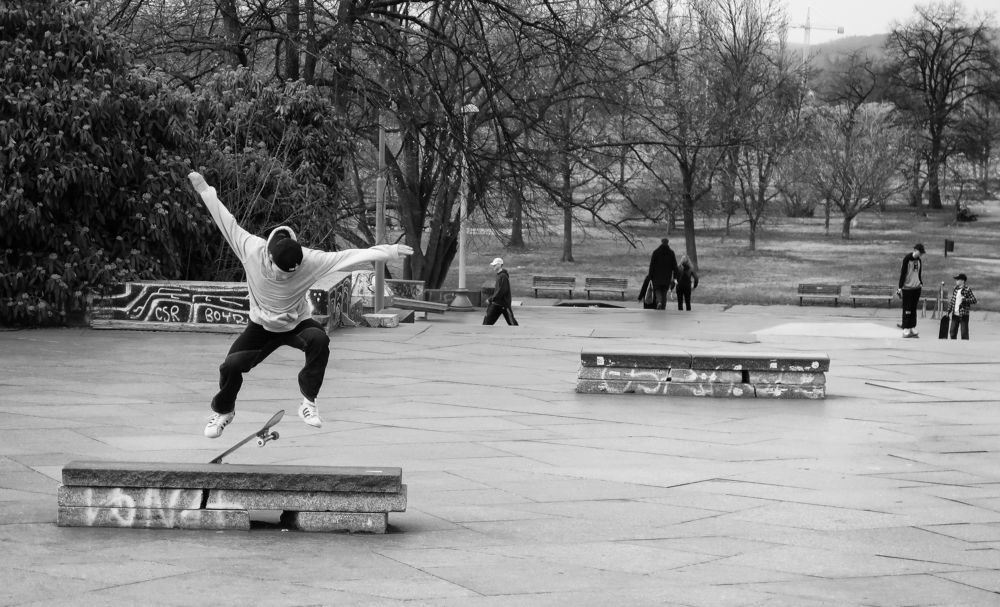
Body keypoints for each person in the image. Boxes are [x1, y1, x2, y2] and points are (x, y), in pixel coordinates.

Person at [187, 172, 413, 438]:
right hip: (261, 327)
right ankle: (224, 412)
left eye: (291, 274)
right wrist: (205, 191)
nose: (285, 277)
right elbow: (226, 221)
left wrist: (389, 251)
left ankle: (308, 401)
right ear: (269, 258)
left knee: (318, 339)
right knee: (230, 366)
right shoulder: (251, 249)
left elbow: (347, 256)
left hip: (296, 323)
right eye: (282, 272)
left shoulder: (310, 260)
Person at [896, 243, 925, 338]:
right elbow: (903, 273)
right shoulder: (907, 259)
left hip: (916, 288)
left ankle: (912, 326)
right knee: (907, 309)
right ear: (915, 250)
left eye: (921, 254)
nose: (920, 255)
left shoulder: (919, 260)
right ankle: (906, 328)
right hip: (907, 288)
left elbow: (919, 273)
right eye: (919, 253)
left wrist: (920, 282)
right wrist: (900, 287)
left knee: (913, 309)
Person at [483, 257, 519, 326]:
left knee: (512, 323)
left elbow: (501, 291)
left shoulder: (503, 276)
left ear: (499, 265)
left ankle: (519, 335)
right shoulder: (500, 276)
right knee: (486, 323)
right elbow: (499, 291)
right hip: (497, 304)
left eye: (495, 265)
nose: (493, 266)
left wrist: (491, 299)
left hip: (503, 304)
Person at [648, 238, 677, 310]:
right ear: (668, 243)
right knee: (664, 292)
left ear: (661, 242)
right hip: (667, 277)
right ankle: (663, 307)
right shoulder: (671, 253)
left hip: (656, 277)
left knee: (657, 291)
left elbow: (652, 265)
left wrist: (650, 276)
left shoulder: (656, 252)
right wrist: (675, 277)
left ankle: (659, 302)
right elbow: (675, 266)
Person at [945, 273, 977, 340]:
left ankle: (965, 348)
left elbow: (974, 300)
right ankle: (954, 347)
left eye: (957, 279)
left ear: (962, 281)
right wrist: (948, 311)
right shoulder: (955, 289)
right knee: (952, 332)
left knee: (964, 333)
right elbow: (952, 301)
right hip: (955, 314)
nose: (956, 281)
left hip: (964, 315)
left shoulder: (967, 289)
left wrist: (965, 299)